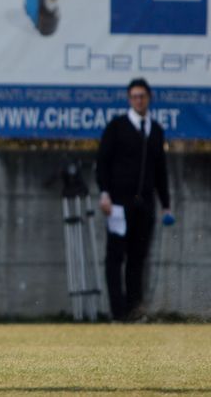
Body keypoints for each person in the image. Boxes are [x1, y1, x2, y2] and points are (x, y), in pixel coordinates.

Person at [97, 78, 173, 321]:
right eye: (134, 96)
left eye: (142, 96)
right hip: (119, 204)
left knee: (137, 259)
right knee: (115, 258)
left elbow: (161, 170)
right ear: (129, 99)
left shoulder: (156, 130)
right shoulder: (117, 126)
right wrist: (105, 193)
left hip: (145, 205)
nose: (139, 100)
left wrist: (166, 203)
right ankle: (117, 312)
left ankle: (134, 311)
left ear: (149, 98)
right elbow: (103, 163)